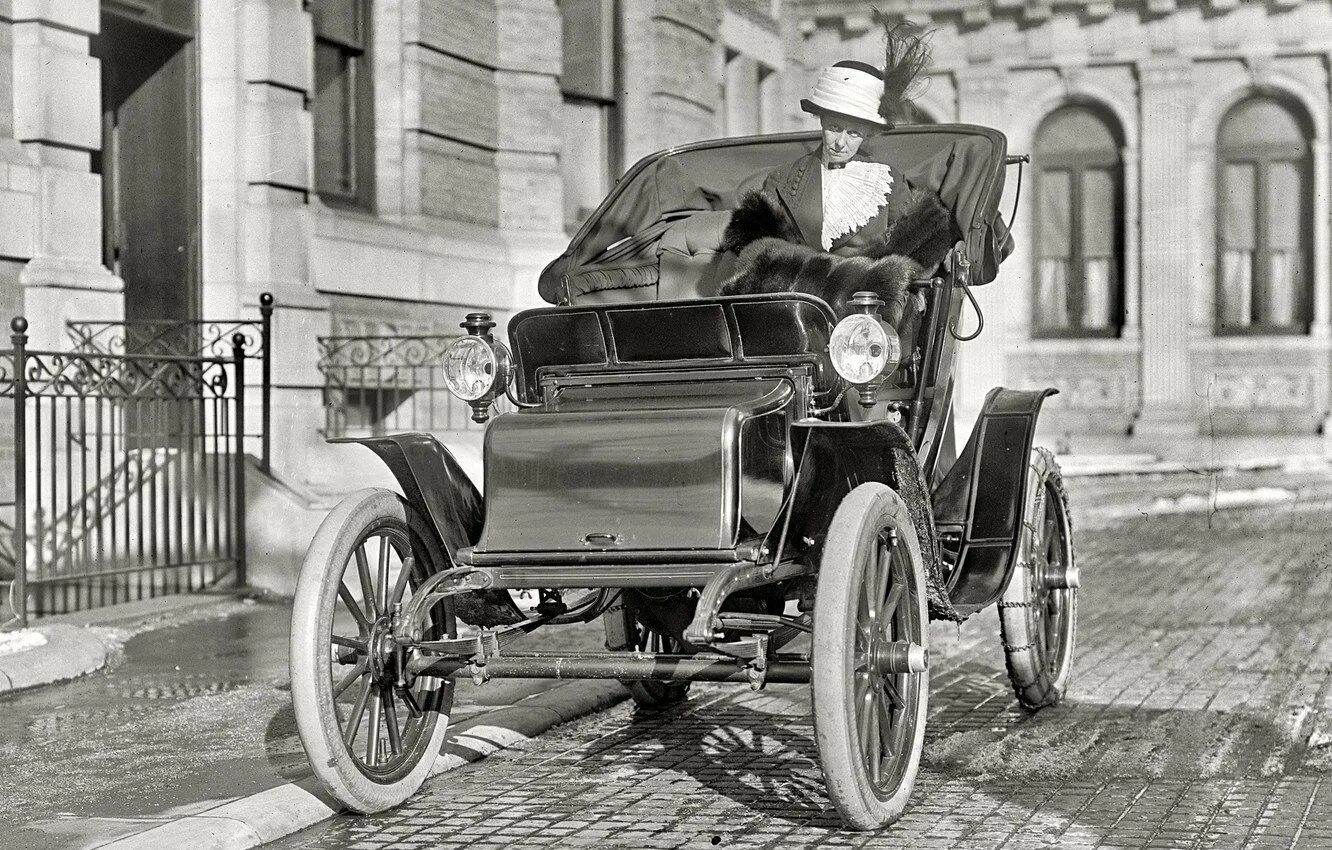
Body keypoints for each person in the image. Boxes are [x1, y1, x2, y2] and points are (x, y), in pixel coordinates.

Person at [719, 21, 957, 323]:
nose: (841, 142)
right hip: (794, 314)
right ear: (820, 122)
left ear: (868, 134)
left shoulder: (890, 184)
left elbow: (915, 252)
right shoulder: (782, 180)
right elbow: (757, 259)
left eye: (853, 133)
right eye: (833, 127)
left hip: (866, 315)